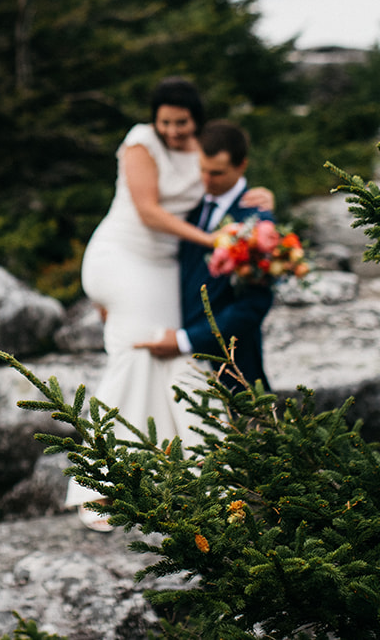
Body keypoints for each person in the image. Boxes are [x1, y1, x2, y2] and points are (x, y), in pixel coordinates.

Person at [65, 78, 234, 530]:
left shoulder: (204, 148)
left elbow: (223, 186)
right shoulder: (141, 142)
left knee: (174, 353)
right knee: (135, 354)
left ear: (196, 118)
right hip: (122, 256)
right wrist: (213, 240)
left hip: (165, 268)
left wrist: (258, 200)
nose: (174, 131)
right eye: (166, 122)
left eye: (182, 122)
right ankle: (97, 485)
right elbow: (148, 210)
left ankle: (188, 472)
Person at [136, 119, 277, 407]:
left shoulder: (259, 223)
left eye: (217, 173)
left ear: (242, 166)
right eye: (201, 169)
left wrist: (186, 340)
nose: (206, 180)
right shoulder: (189, 204)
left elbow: (253, 306)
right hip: (178, 361)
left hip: (230, 363)